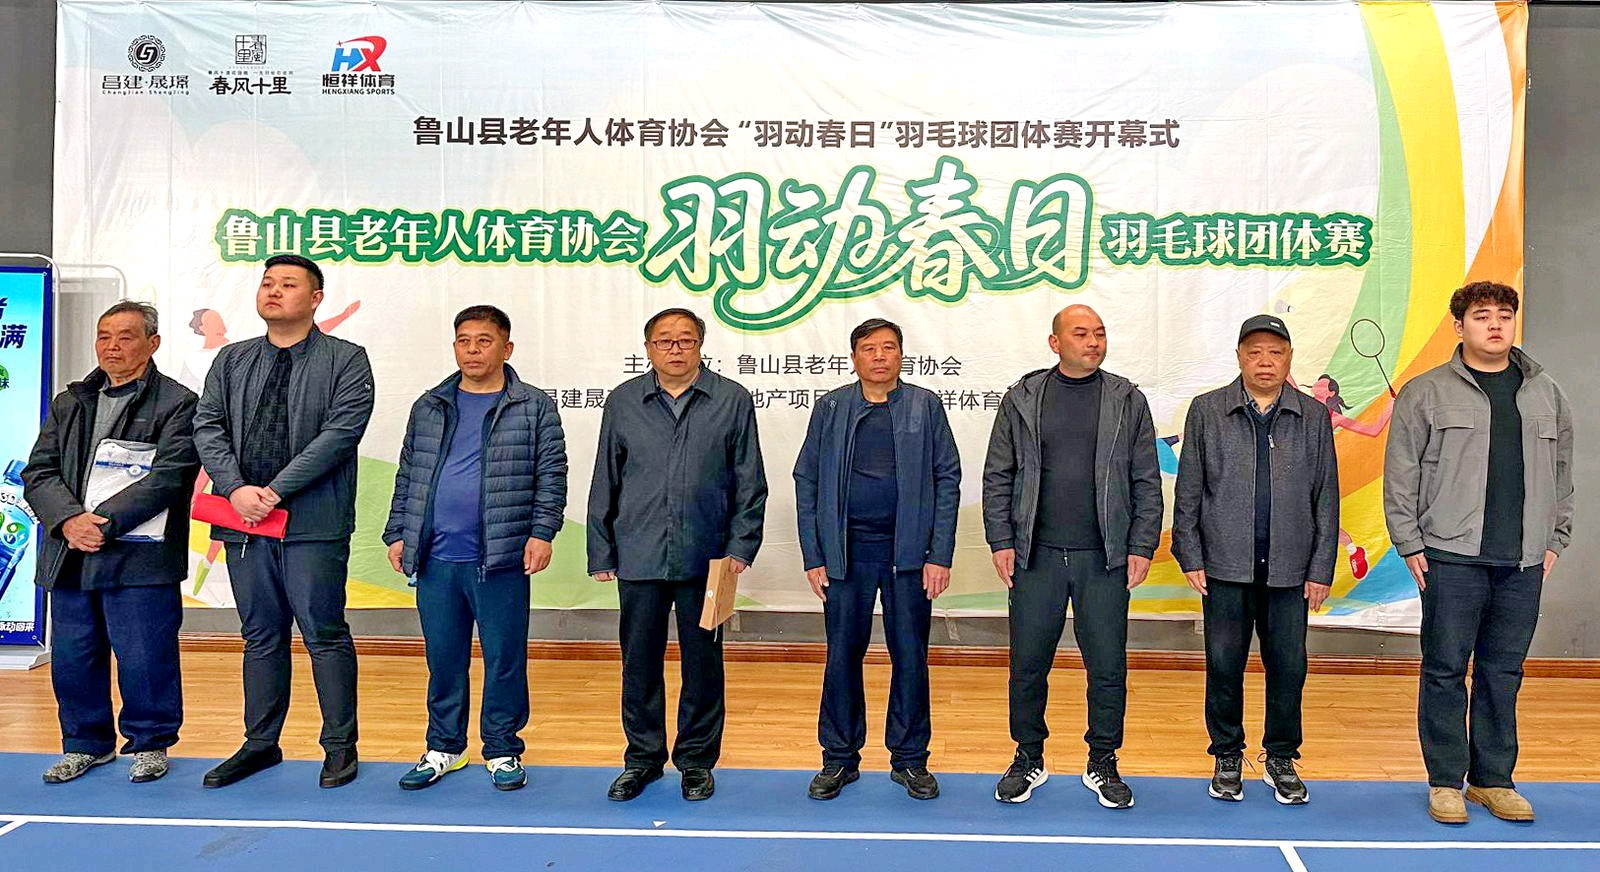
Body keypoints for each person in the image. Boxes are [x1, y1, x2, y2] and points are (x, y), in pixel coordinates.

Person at [1384, 282, 1573, 825]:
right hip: (1450, 556)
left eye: (1504, 315)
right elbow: (1401, 473)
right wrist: (1409, 542)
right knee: (1444, 670)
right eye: (1482, 315)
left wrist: (1555, 539)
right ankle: (1446, 781)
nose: (1495, 324)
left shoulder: (1547, 393)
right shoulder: (1426, 392)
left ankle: (1493, 780)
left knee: (1503, 672)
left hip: (1522, 562)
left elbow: (1563, 474)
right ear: (1459, 326)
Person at [193, 254, 375, 789]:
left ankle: (339, 746)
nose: (273, 291)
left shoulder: (346, 359)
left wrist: (273, 492)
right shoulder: (232, 359)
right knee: (260, 635)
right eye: (267, 283)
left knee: (323, 632)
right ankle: (260, 744)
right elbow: (207, 426)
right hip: (243, 519)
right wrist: (235, 488)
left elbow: (340, 434)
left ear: (316, 299)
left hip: (311, 522)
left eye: (288, 284)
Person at [982, 305, 1163, 809]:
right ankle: (1028, 756)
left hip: (1104, 558)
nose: (1093, 342)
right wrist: (1001, 540)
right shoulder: (1022, 398)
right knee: (1027, 664)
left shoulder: (1127, 399)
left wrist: (1141, 544)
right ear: (1055, 342)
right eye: (1081, 334)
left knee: (1107, 666)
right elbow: (999, 474)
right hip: (1034, 556)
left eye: (1099, 334)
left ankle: (1103, 759)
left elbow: (1146, 479)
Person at [384, 305, 568, 792]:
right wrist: (399, 532)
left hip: (500, 557)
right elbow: (409, 473)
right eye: (464, 341)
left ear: (507, 348)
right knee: (444, 658)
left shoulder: (532, 406)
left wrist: (542, 532)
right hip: (436, 558)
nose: (472, 350)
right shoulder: (430, 405)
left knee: (504, 657)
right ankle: (444, 746)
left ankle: (503, 748)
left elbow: (552, 475)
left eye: (484, 341)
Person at [588, 308, 766, 803]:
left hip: (710, 559)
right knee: (639, 663)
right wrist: (601, 549)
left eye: (685, 340)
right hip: (639, 553)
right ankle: (642, 759)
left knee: (703, 664)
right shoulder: (624, 401)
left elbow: (750, 480)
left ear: (700, 346)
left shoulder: (732, 399)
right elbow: (606, 477)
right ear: (648, 348)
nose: (675, 349)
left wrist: (740, 546)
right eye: (664, 341)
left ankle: (696, 761)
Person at [22, 302, 199, 784]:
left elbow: (169, 478)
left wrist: (102, 524)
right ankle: (85, 745)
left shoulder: (178, 403)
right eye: (104, 336)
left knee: (145, 656)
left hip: (139, 556)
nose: (112, 347)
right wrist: (69, 520)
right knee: (74, 657)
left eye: (125, 336)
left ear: (152, 343)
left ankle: (151, 743)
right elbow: (39, 471)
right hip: (71, 552)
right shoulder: (71, 401)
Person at [1172, 314, 1338, 805]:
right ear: (1240, 357)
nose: (1265, 361)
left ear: (1289, 359)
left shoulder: (1312, 416)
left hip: (1291, 568)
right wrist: (1190, 552)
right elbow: (1189, 489)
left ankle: (1281, 756)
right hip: (1224, 566)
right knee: (1224, 664)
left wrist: (1320, 567)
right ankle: (1226, 753)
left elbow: (1326, 496)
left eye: (1276, 352)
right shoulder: (1207, 410)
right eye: (1255, 352)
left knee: (1288, 666)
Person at [793, 318, 960, 801]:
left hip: (909, 556)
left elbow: (947, 478)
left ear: (902, 356)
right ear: (855, 358)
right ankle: (838, 758)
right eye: (870, 348)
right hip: (846, 555)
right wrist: (815, 554)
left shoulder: (925, 406)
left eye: (889, 347)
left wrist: (939, 554)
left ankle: (910, 760)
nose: (880, 356)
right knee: (842, 655)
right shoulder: (831, 408)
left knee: (910, 655)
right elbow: (807, 480)